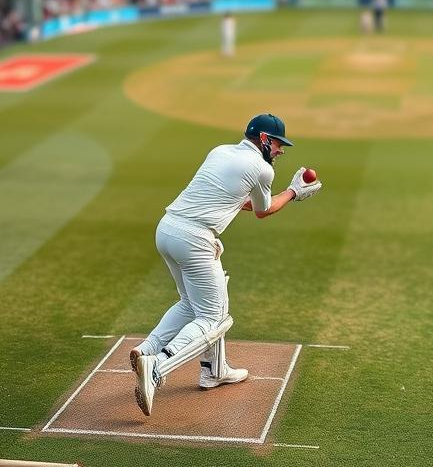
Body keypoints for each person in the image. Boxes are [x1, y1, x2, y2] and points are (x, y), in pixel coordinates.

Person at [130, 113, 322, 416]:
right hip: (194, 239)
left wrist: (286, 193)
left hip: (167, 229)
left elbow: (232, 199)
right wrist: (294, 192)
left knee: (190, 304)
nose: (280, 150)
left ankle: (164, 355)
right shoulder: (261, 169)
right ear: (262, 139)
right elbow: (264, 210)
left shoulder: (219, 151)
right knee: (214, 318)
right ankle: (156, 366)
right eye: (277, 143)